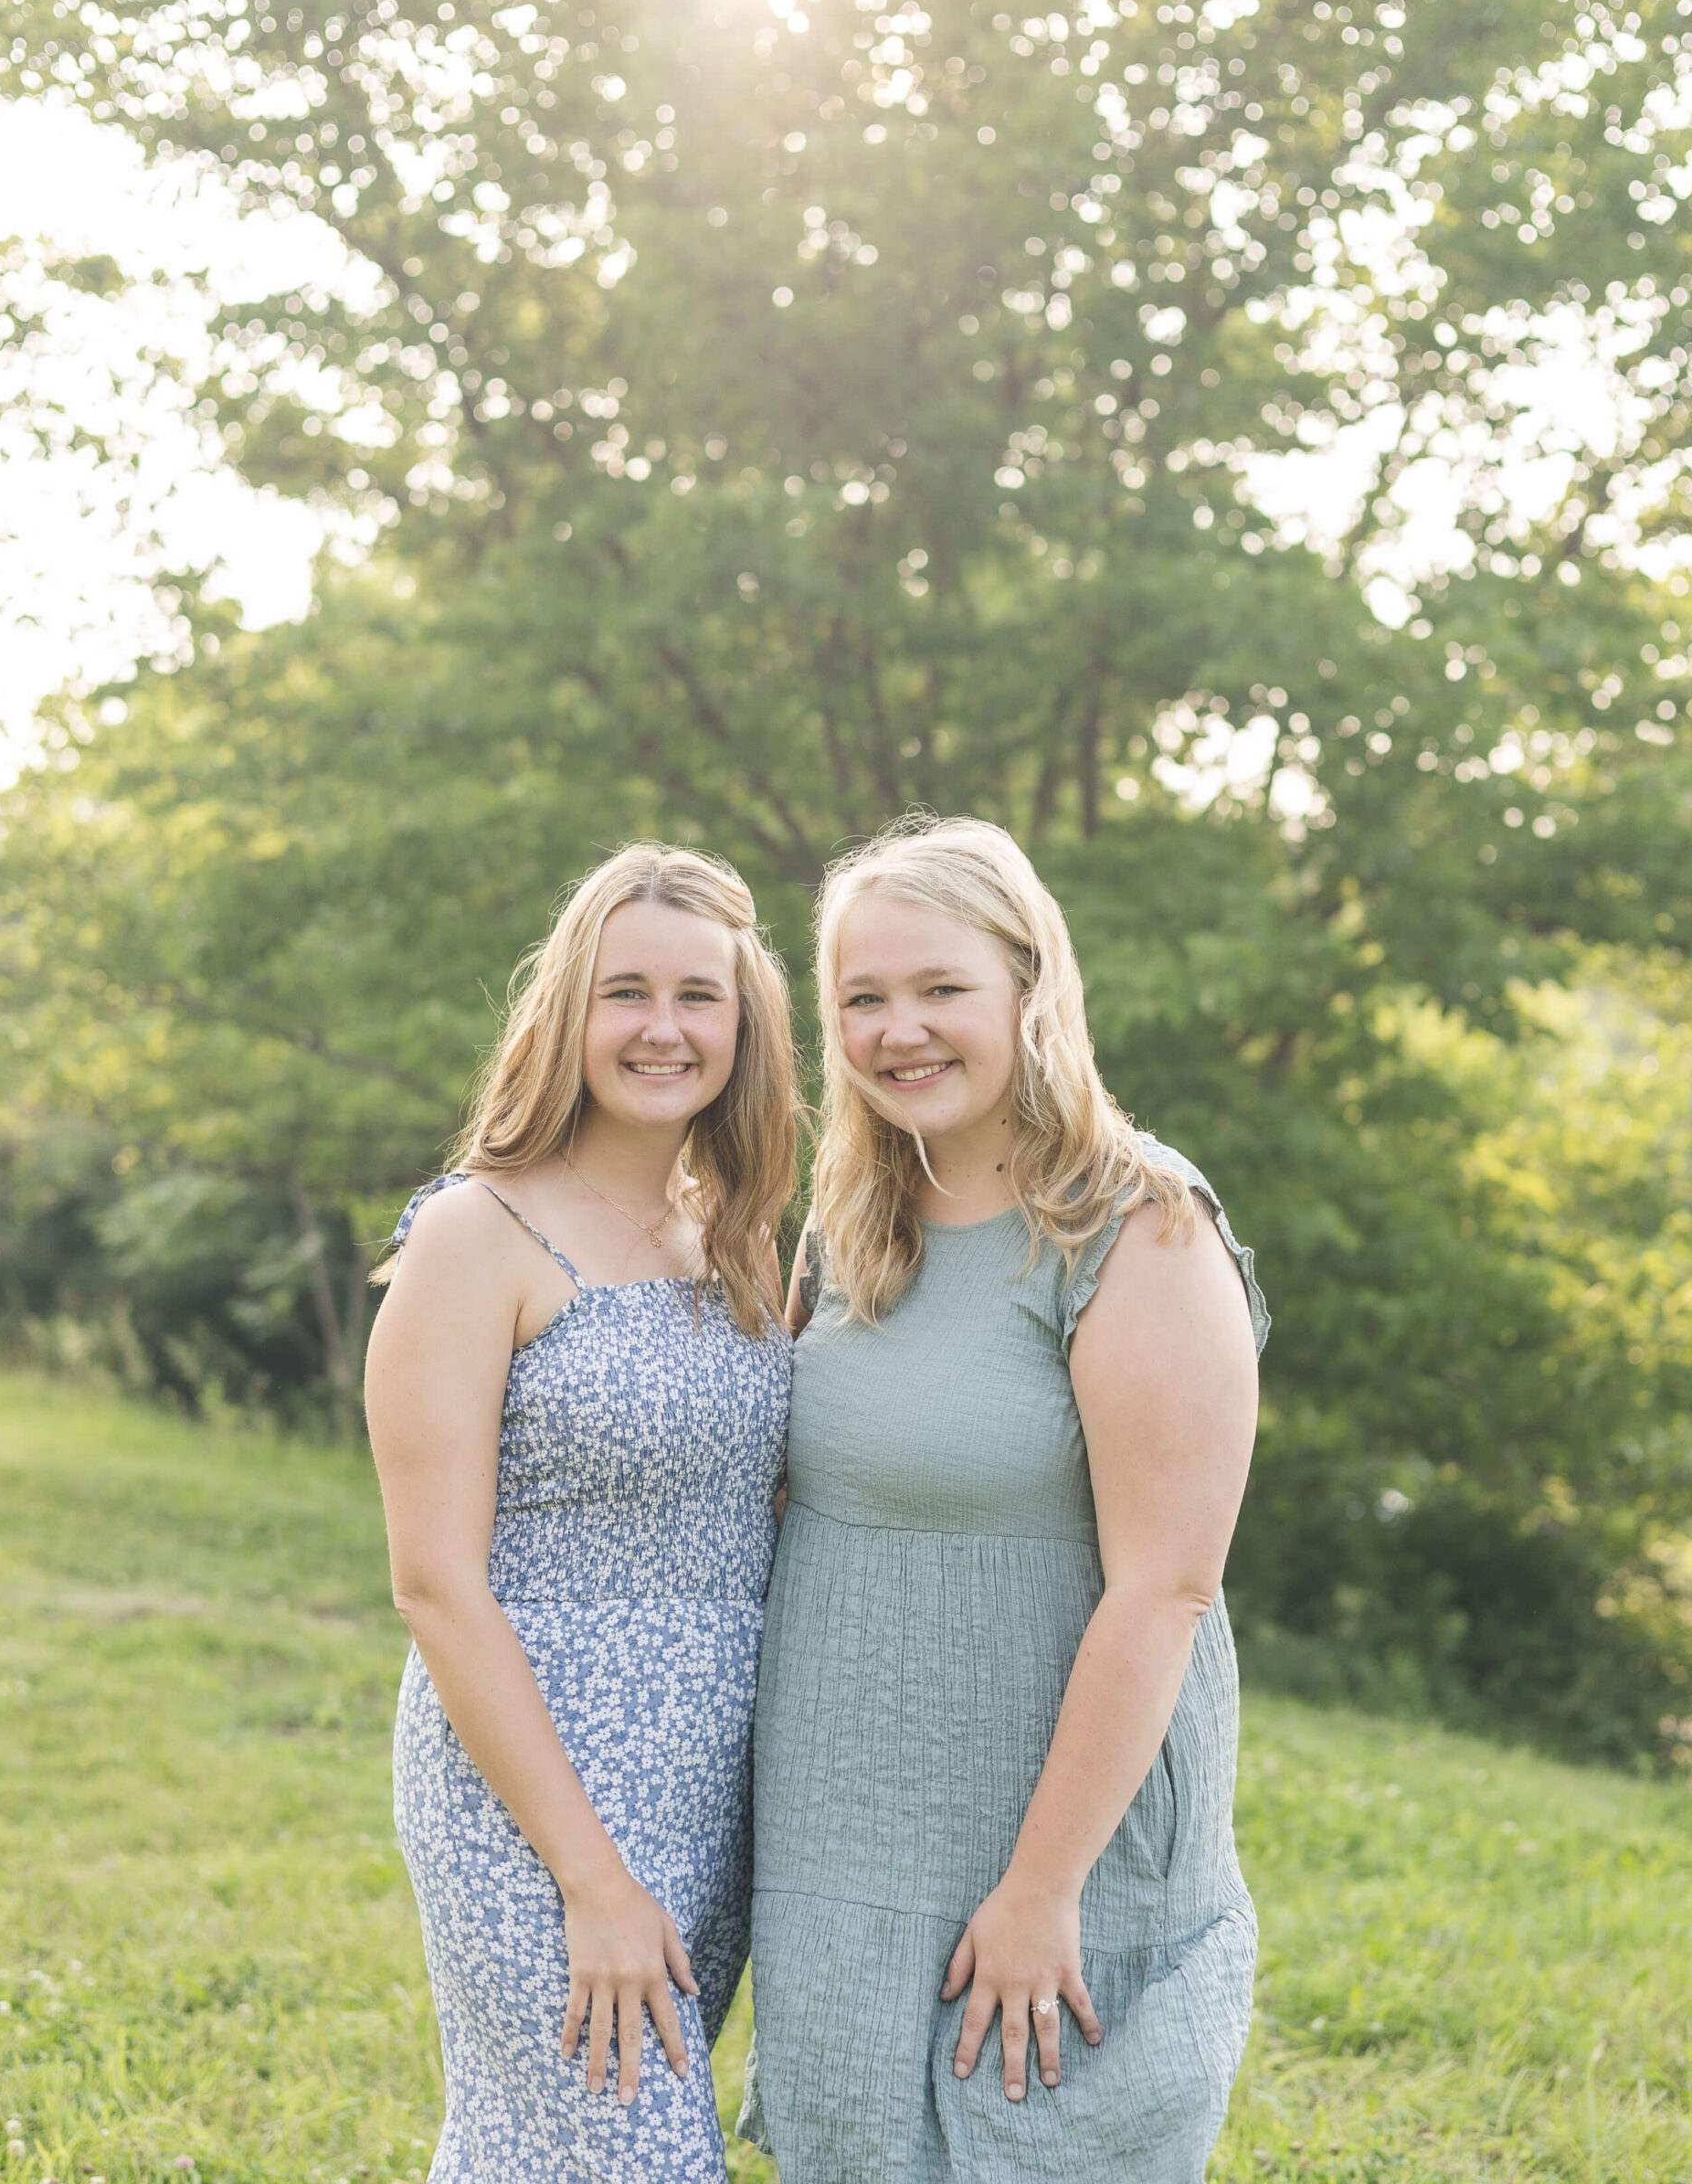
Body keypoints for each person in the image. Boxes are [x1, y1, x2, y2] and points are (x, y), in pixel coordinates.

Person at [741, 813, 1268, 2184]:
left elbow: (1167, 1588)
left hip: (1049, 1832)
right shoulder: (851, 1218)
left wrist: (1042, 1895)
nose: (898, 1029)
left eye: (941, 989)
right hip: (843, 1824)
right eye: (863, 997)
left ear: (1032, 988)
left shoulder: (1138, 1224)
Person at [365, 842, 798, 2183]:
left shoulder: (731, 1230)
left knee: (535, 2151)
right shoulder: (473, 1235)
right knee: (633, 2154)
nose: (662, 1028)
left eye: (696, 997)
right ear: (567, 1012)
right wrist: (592, 1879)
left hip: (710, 1776)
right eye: (625, 994)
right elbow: (436, 1582)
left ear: (743, 1023)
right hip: (533, 1790)